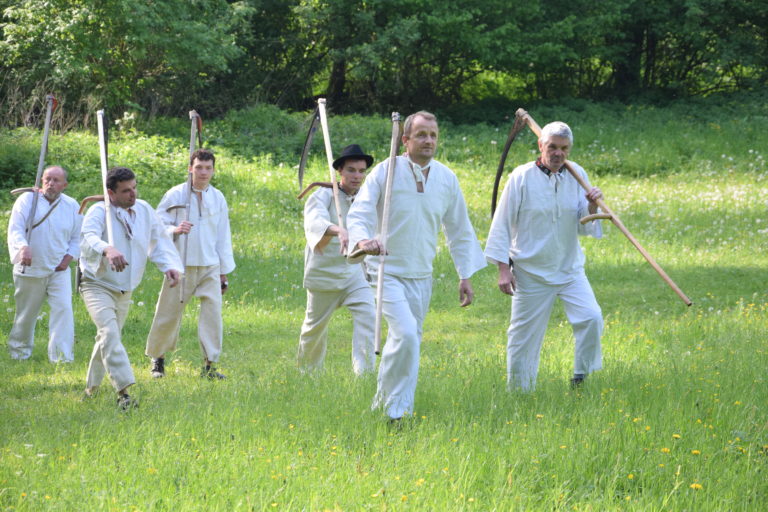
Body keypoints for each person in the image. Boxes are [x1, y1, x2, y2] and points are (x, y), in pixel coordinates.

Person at [347, 111, 486, 421]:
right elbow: (360, 213)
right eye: (422, 134)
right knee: (406, 335)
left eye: (433, 135)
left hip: (422, 274)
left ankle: (391, 405)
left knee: (409, 343)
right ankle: (396, 414)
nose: (429, 140)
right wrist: (362, 241)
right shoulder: (385, 172)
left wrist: (465, 275)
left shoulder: (447, 178)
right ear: (405, 140)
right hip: (386, 270)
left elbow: (459, 229)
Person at [484, 121, 604, 391]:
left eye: (564, 148)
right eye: (552, 147)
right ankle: (520, 392)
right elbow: (501, 224)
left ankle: (580, 377)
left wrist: (592, 204)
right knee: (524, 336)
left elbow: (583, 224)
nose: (558, 153)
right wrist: (504, 269)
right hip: (530, 272)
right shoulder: (521, 177)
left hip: (569, 269)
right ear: (541, 145)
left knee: (591, 317)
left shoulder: (577, 175)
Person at [80, 166, 182, 409]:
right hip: (97, 284)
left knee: (107, 338)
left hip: (125, 289)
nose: (132, 194)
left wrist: (168, 265)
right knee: (109, 333)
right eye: (126, 191)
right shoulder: (98, 211)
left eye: (134, 188)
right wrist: (108, 248)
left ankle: (91, 389)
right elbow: (88, 234)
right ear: (110, 193)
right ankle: (124, 392)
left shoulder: (144, 209)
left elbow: (158, 240)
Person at [144, 149, 235, 380]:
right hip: (181, 265)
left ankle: (209, 365)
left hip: (210, 265)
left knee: (213, 315)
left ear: (213, 170)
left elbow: (223, 236)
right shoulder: (176, 195)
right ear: (190, 168)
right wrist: (174, 229)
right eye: (199, 167)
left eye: (208, 168)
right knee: (168, 312)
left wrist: (224, 272)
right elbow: (156, 226)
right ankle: (158, 359)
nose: (203, 172)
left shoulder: (218, 198)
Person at [297, 144, 376, 375]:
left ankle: (365, 374)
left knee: (368, 317)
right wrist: (339, 230)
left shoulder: (366, 198)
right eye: (351, 170)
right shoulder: (322, 195)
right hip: (324, 274)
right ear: (339, 171)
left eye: (362, 171)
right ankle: (308, 375)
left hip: (353, 274)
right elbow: (314, 221)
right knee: (314, 330)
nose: (357, 176)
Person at [6, 166, 81, 362]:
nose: (51, 184)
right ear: (41, 181)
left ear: (65, 185)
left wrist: (69, 258)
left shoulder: (72, 205)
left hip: (59, 269)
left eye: (56, 180)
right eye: (47, 179)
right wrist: (23, 247)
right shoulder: (27, 201)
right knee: (27, 314)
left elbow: (77, 237)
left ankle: (62, 357)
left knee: (63, 310)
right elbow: (15, 229)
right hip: (29, 268)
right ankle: (19, 353)